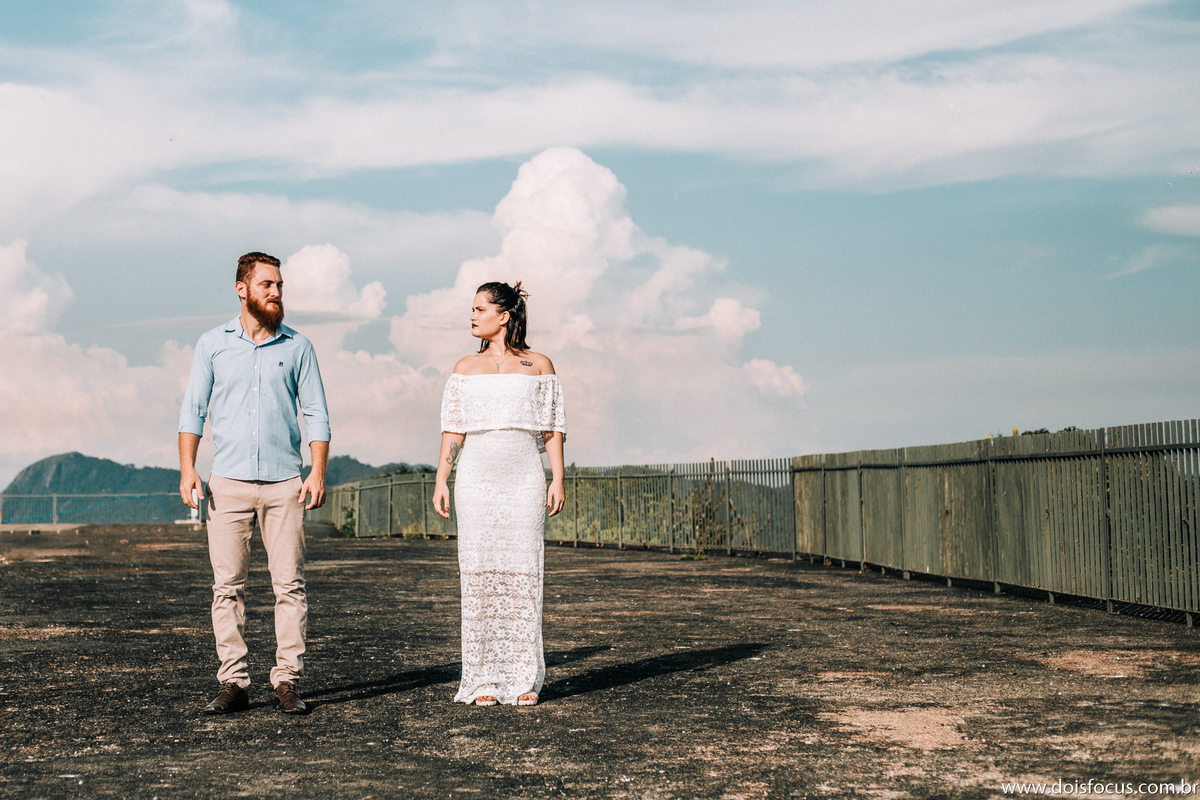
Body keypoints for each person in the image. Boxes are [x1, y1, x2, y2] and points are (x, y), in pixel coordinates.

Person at [178, 251, 330, 716]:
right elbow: (193, 411)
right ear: (243, 289)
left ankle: (286, 680)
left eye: (280, 285)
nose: (277, 293)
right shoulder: (212, 344)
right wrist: (188, 470)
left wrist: (317, 470)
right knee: (227, 587)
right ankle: (233, 682)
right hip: (228, 484)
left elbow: (317, 414)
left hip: (286, 483)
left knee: (290, 586)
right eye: (268, 285)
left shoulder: (298, 347)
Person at [433, 281, 566, 707]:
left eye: (479, 309)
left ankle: (524, 677)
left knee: (523, 575)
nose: (471, 316)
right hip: (476, 477)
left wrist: (557, 478)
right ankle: (483, 678)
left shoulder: (539, 364)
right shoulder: (464, 367)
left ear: (504, 315)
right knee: (479, 576)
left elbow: (552, 429)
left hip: (524, 475)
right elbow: (453, 428)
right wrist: (442, 478)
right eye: (471, 309)